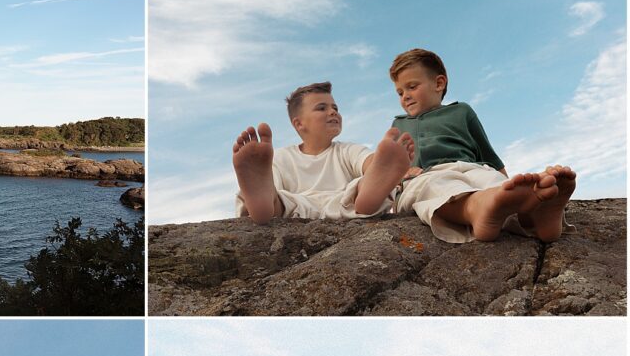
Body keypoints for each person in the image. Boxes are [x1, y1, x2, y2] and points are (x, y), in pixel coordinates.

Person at [389, 48, 577, 243]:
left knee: (492, 183)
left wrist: (509, 185)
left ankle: (534, 216)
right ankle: (476, 209)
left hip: (472, 167)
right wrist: (399, 178)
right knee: (436, 187)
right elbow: (387, 169)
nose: (405, 96)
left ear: (439, 83)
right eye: (400, 92)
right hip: (426, 174)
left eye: (412, 87)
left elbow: (488, 154)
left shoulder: (462, 111)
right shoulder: (398, 125)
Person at [232, 82, 417, 224]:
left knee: (366, 184)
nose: (333, 112)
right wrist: (267, 195)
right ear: (299, 124)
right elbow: (272, 191)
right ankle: (261, 204)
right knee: (274, 198)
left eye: (335, 108)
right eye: (322, 108)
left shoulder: (346, 150)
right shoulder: (280, 158)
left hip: (345, 203)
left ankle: (369, 195)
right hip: (296, 208)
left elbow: (370, 163)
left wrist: (381, 168)